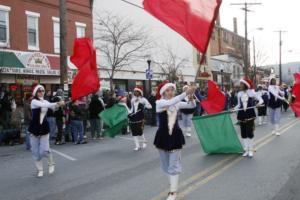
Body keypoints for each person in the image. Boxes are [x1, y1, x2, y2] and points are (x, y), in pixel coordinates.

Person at [154, 81, 195, 200]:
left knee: (173, 165)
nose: (170, 92)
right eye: (167, 90)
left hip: (175, 136)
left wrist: (191, 98)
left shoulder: (177, 103)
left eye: (172, 90)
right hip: (162, 137)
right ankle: (172, 185)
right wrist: (185, 93)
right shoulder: (159, 102)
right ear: (163, 92)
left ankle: (173, 192)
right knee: (166, 165)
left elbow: (191, 106)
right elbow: (170, 102)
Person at [28, 85, 65, 177]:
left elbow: (53, 108)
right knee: (35, 152)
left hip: (44, 128)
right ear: (36, 92)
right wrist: (57, 103)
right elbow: (45, 105)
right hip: (34, 128)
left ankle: (51, 162)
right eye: (39, 91)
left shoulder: (46, 101)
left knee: (44, 150)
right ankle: (40, 169)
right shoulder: (34, 101)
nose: (41, 92)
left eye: (43, 90)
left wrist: (59, 105)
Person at [236, 78, 263, 158]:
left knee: (249, 132)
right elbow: (239, 105)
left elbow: (261, 100)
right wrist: (234, 108)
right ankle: (246, 150)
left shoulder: (251, 92)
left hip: (250, 114)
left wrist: (258, 103)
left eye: (241, 84)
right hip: (241, 114)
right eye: (240, 83)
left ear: (245, 85)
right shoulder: (239, 93)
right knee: (243, 133)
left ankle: (251, 150)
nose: (240, 85)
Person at [128, 86, 152, 151]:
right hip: (133, 117)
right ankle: (137, 146)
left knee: (140, 130)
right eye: (134, 91)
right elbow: (132, 108)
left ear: (139, 92)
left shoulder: (143, 99)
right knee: (134, 131)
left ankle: (144, 142)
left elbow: (150, 106)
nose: (135, 92)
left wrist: (143, 105)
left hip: (140, 117)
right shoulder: (132, 99)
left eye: (136, 91)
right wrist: (129, 113)